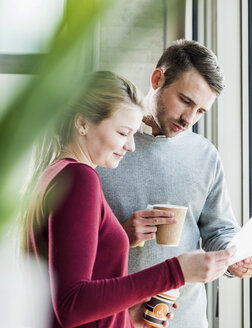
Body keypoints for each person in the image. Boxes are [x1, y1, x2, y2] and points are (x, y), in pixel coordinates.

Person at [22, 70, 235, 328]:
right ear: (83, 124)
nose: (131, 146)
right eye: (123, 133)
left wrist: (124, 316)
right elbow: (72, 305)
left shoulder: (54, 172)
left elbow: (66, 293)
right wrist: (176, 271)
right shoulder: (80, 178)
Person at [97, 39, 252, 328]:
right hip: (113, 318)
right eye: (186, 101)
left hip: (184, 319)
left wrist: (234, 255)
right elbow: (69, 247)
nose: (189, 119)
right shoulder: (104, 145)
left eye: (201, 111)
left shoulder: (205, 155)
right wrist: (121, 234)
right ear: (157, 79)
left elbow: (219, 228)